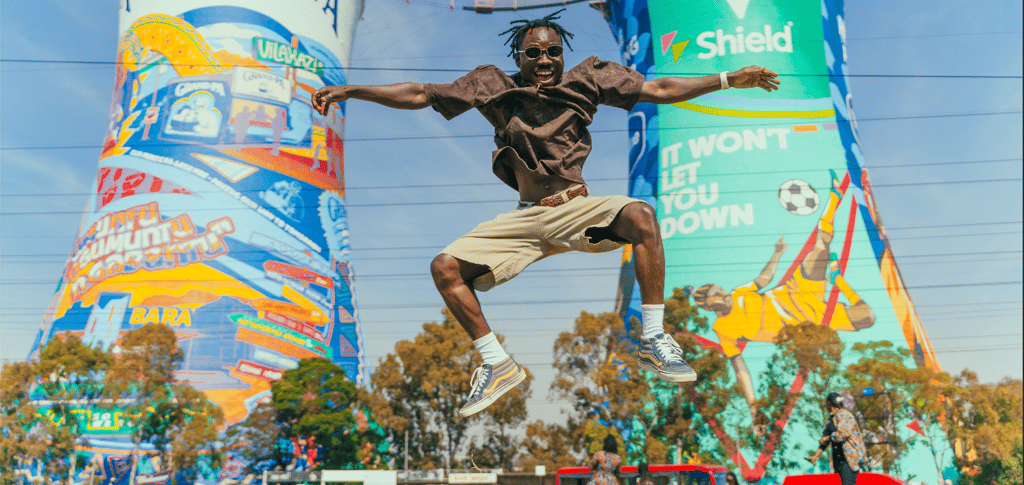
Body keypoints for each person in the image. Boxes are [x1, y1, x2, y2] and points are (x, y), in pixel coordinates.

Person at [312, 10, 781, 417]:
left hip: (576, 208)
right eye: (533, 53)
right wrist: (354, 90)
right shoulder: (491, 85)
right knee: (445, 267)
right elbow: (420, 93)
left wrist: (726, 79)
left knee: (641, 215)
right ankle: (496, 363)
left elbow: (657, 87)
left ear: (562, 54)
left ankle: (655, 340)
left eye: (552, 52)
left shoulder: (588, 78)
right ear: (518, 57)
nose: (544, 60)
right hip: (524, 218)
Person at [686, 170, 875, 417]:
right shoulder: (723, 329)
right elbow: (740, 369)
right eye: (717, 296)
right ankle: (836, 279)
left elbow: (763, 280)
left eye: (720, 290)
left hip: (796, 291)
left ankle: (833, 198)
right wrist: (754, 410)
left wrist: (777, 253)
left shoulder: (739, 292)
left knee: (821, 246)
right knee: (868, 316)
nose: (723, 294)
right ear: (709, 307)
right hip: (807, 325)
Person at [806, 392, 865, 485]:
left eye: (826, 402)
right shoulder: (831, 419)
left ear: (830, 403)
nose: (825, 405)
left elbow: (842, 434)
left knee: (848, 483)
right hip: (838, 459)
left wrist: (827, 438)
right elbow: (824, 439)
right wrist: (816, 456)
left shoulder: (844, 414)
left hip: (850, 458)